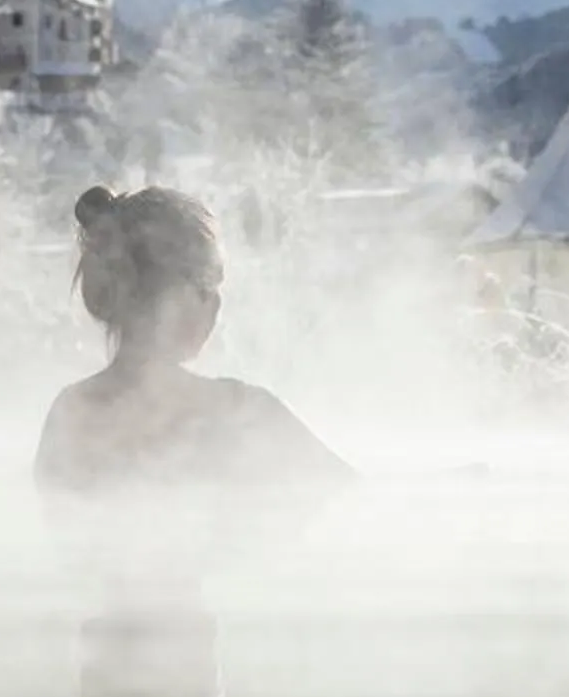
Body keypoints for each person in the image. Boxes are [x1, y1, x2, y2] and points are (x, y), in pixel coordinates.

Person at [34, 185, 352, 493]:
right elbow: (357, 503)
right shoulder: (243, 413)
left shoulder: (70, 415)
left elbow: (55, 527)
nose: (216, 305)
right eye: (209, 289)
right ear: (181, 297)